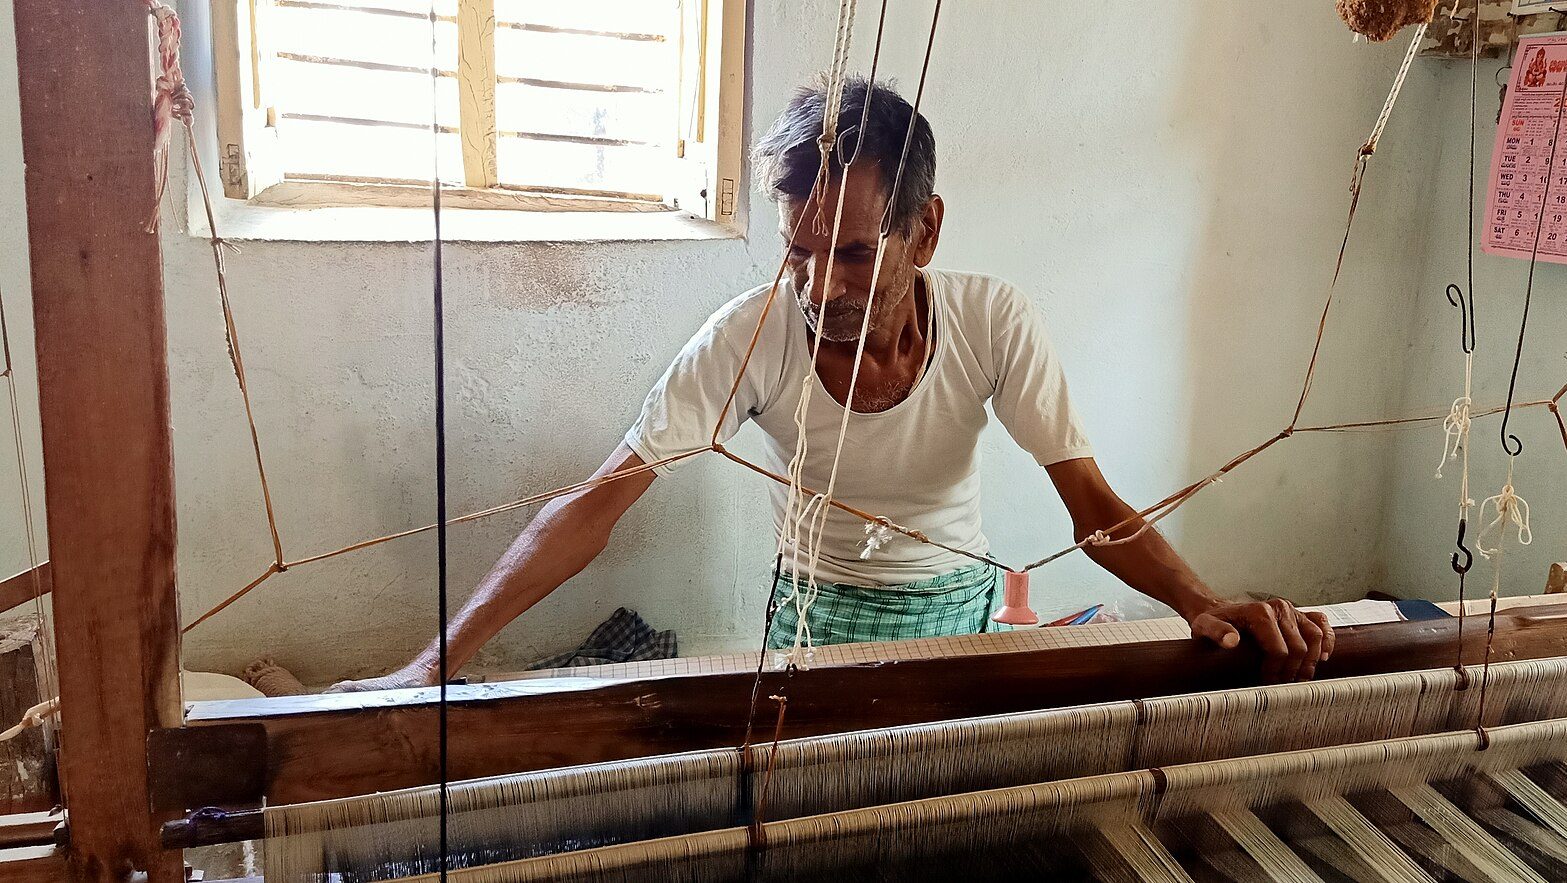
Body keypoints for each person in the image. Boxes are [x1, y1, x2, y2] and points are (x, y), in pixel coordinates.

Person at [329, 78, 1332, 692]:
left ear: (924, 230)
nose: (818, 285)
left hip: (959, 615)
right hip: (816, 619)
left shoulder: (990, 321)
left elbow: (1093, 506)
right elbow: (595, 504)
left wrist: (1203, 604)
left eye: (852, 254)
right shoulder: (753, 336)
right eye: (798, 253)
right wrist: (434, 667)